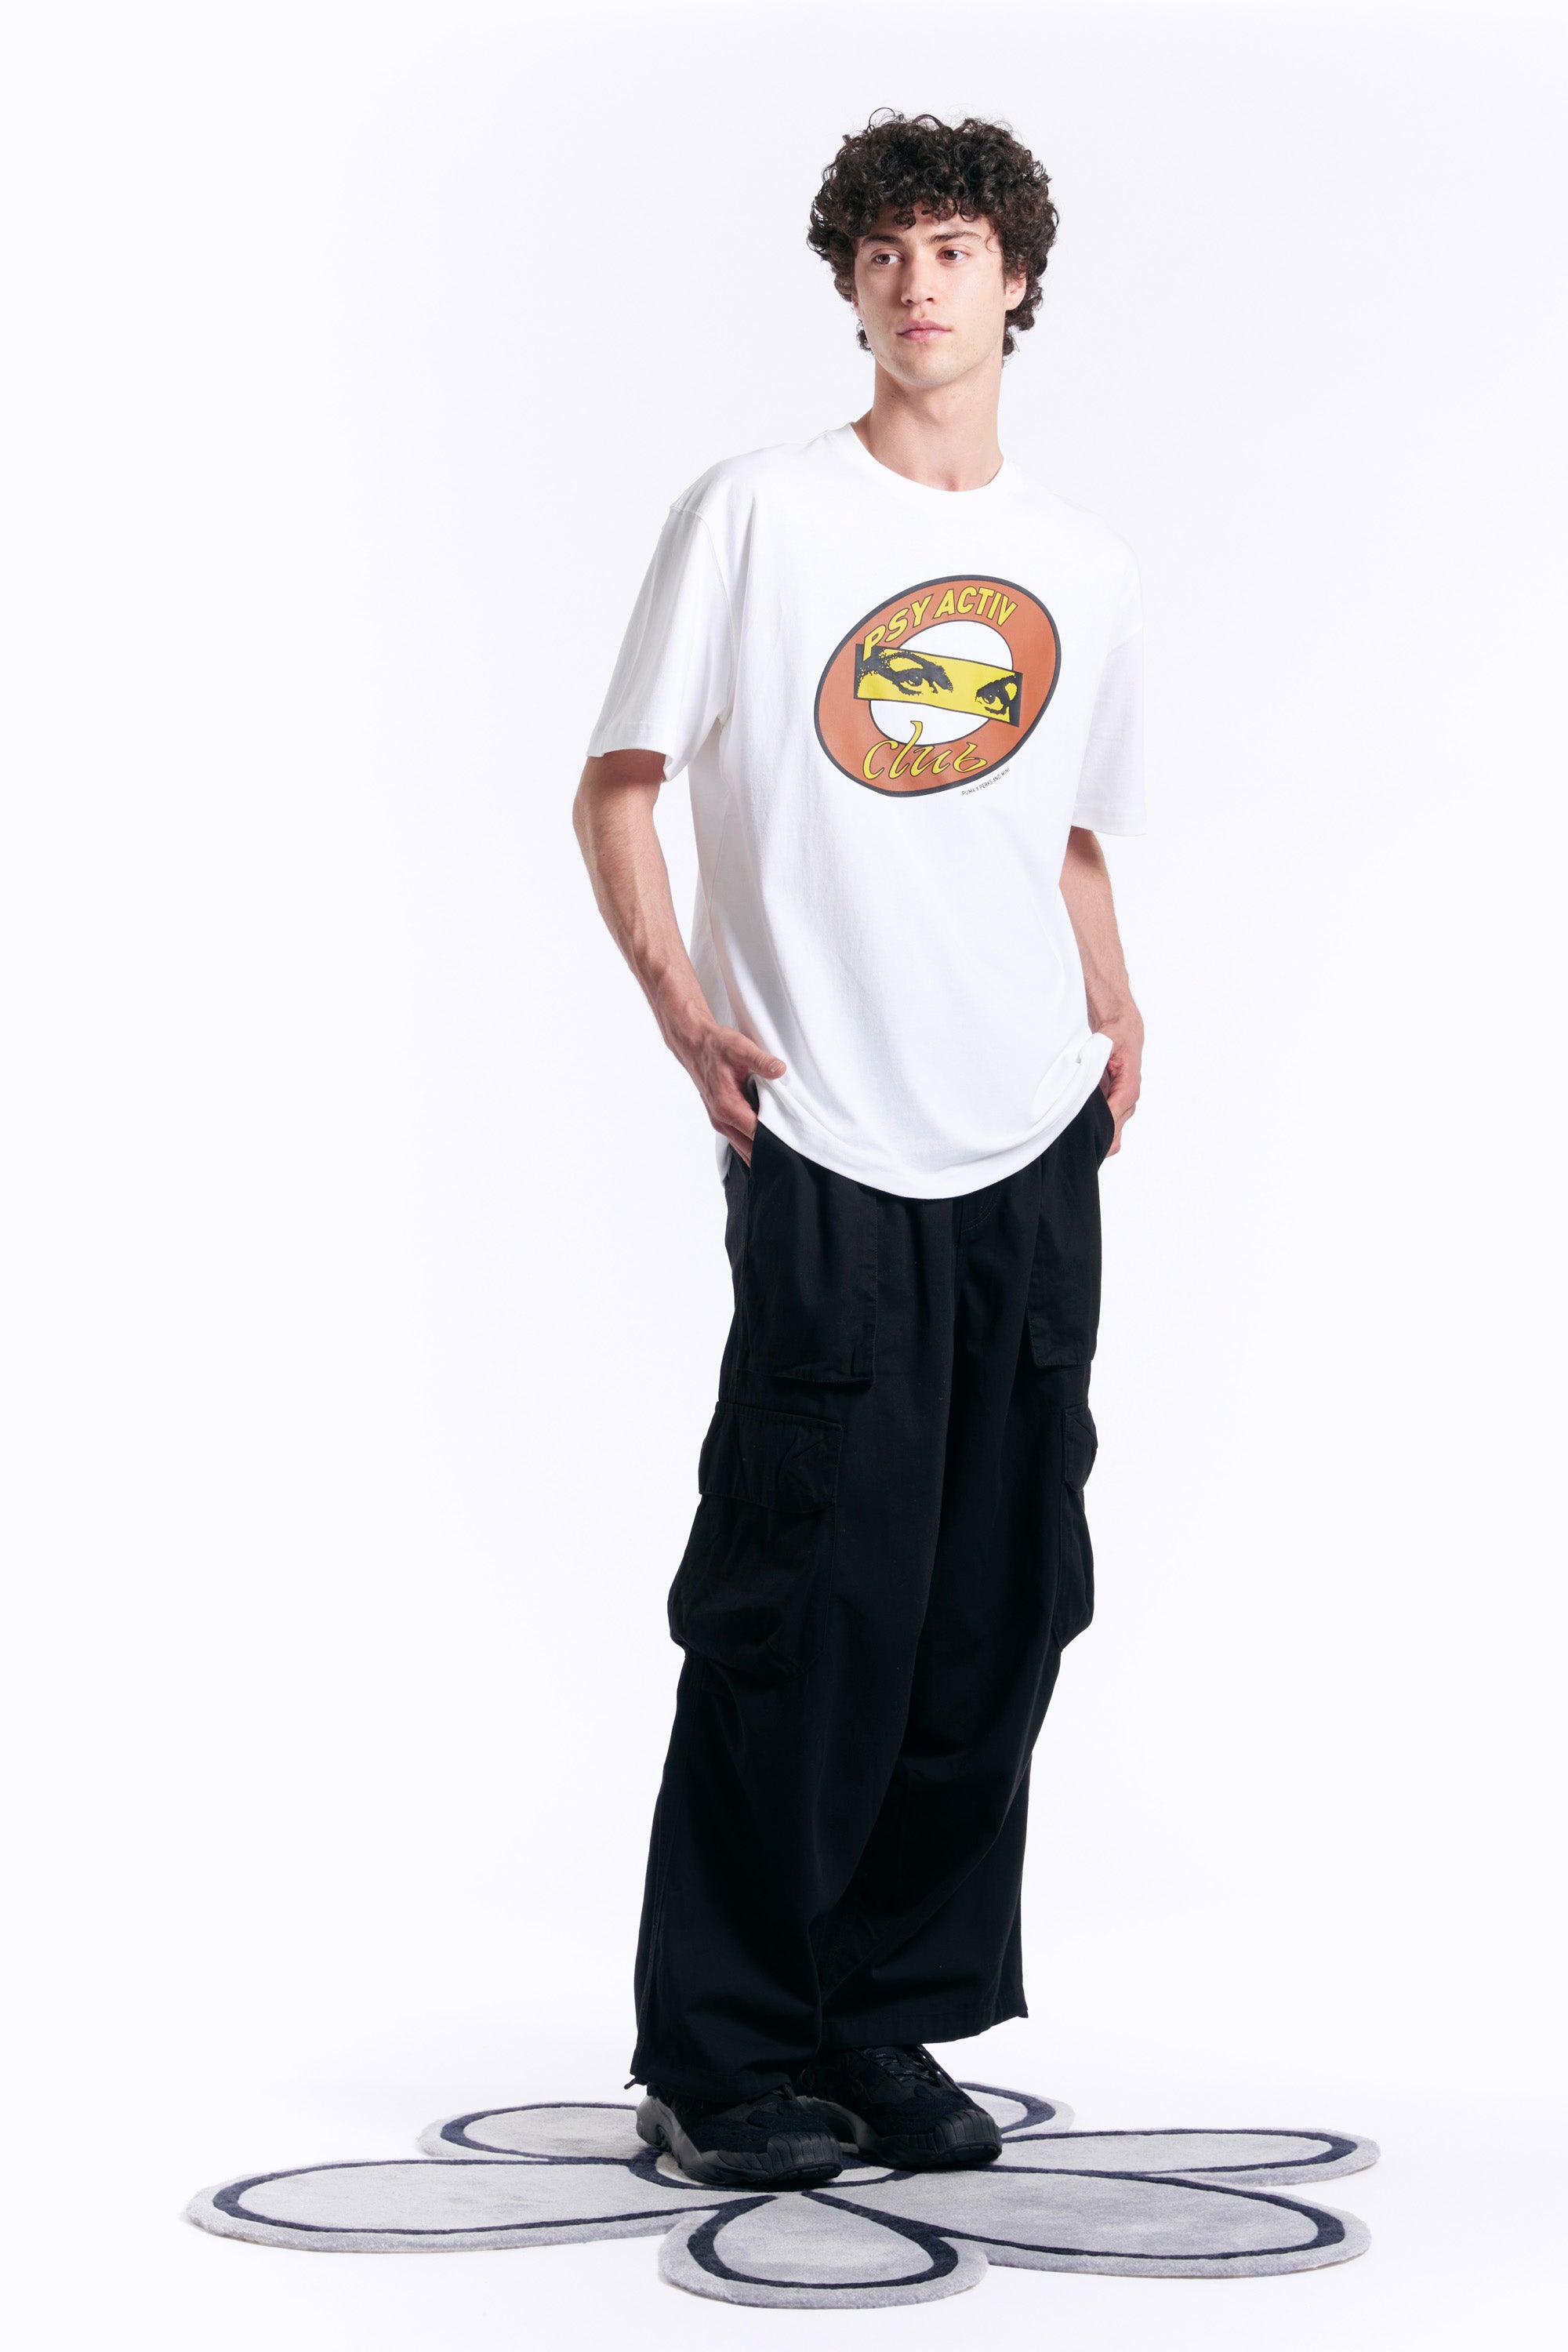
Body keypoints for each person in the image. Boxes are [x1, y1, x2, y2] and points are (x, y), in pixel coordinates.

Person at [572, 111, 1145, 2190]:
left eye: (957, 246)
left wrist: (1118, 999)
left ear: (1017, 282)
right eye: (886, 250)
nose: (921, 281)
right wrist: (678, 1006)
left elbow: (1069, 825)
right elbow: (620, 784)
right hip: (822, 1125)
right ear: (848, 285)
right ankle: (723, 2047)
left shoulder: (1082, 564)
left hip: (1031, 1132)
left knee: (999, 1602)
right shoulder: (758, 515)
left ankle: (882, 2021)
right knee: (807, 1596)